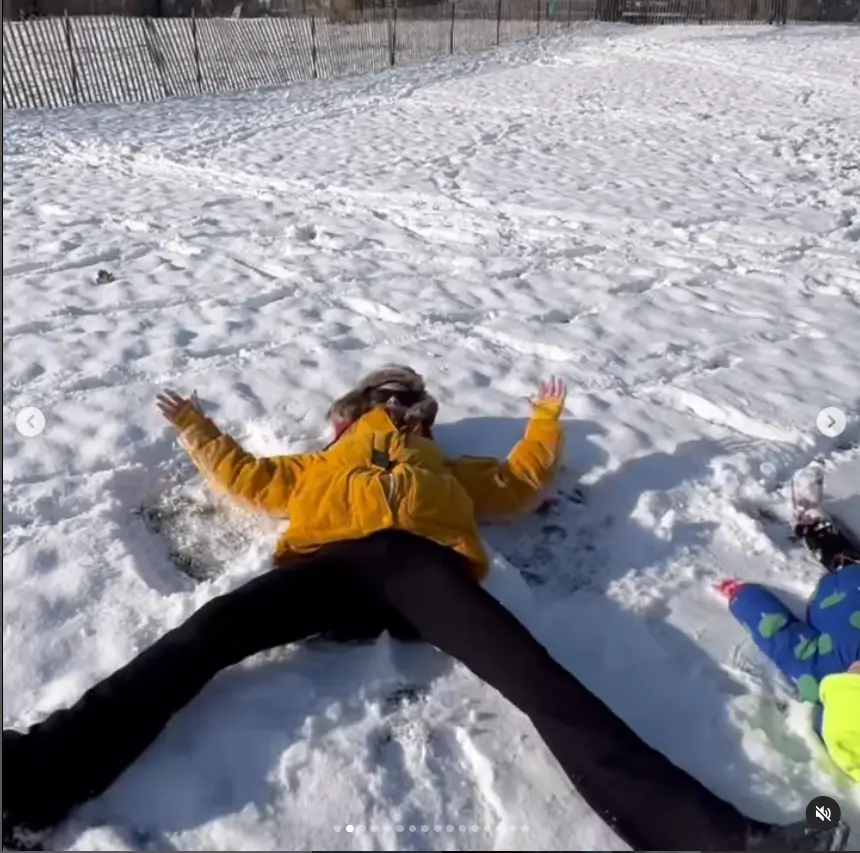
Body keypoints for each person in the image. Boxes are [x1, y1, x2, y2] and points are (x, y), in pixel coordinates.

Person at [1, 366, 848, 851]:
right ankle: (35, 777)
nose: (403, 409)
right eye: (388, 398)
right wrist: (196, 425)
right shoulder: (315, 466)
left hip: (421, 575)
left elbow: (519, 483)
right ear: (348, 416)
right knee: (203, 634)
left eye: (413, 402)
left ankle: (724, 842)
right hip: (328, 567)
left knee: (542, 681)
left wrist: (544, 419)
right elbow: (246, 476)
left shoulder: (447, 469)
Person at [717, 510, 860, 783]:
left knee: (845, 565)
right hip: (841, 586)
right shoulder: (816, 671)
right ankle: (824, 538)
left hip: (839, 591)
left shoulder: (817, 669)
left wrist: (743, 597)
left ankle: (823, 538)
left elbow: (778, 634)